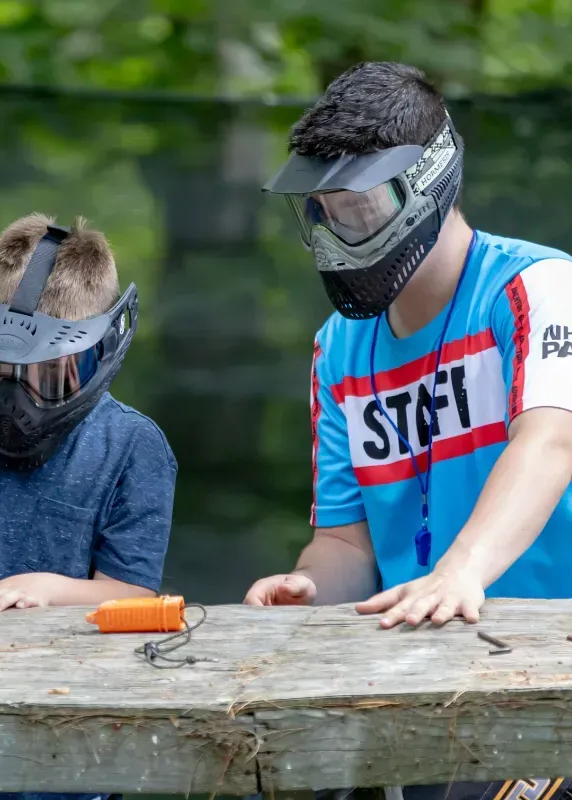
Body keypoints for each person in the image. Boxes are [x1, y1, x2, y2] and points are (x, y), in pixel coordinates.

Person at [245, 62, 572, 800]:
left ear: (429, 180)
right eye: (324, 208)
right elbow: (346, 542)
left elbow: (551, 440)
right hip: (419, 680)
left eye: (359, 206)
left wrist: (462, 570)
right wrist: (310, 589)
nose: (337, 233)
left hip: (549, 671)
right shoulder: (337, 348)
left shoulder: (537, 287)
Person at [0, 212, 177, 800]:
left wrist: (43, 587)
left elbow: (133, 595)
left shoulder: (134, 447)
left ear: (97, 353)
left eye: (46, 372)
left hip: (73, 755)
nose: (13, 395)